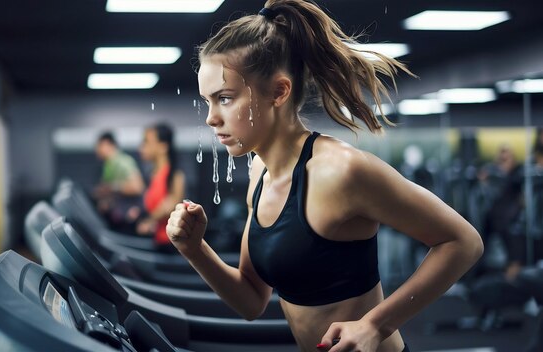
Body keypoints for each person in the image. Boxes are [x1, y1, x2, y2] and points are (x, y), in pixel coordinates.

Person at [166, 1, 484, 351]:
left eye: (224, 98)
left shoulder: (341, 171)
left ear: (279, 92)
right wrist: (194, 249)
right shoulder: (260, 173)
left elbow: (462, 242)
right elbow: (251, 300)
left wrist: (375, 325)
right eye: (207, 102)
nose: (211, 118)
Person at [136, 123, 186, 252]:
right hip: (157, 243)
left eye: (146, 142)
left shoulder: (175, 175)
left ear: (163, 146)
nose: (141, 148)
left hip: (172, 246)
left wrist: (148, 220)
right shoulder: (152, 175)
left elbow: (169, 206)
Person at [93, 132, 145, 231]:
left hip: (131, 216)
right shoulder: (108, 165)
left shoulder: (123, 161)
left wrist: (111, 188)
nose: (97, 150)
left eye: (99, 146)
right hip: (118, 217)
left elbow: (137, 187)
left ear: (109, 144)